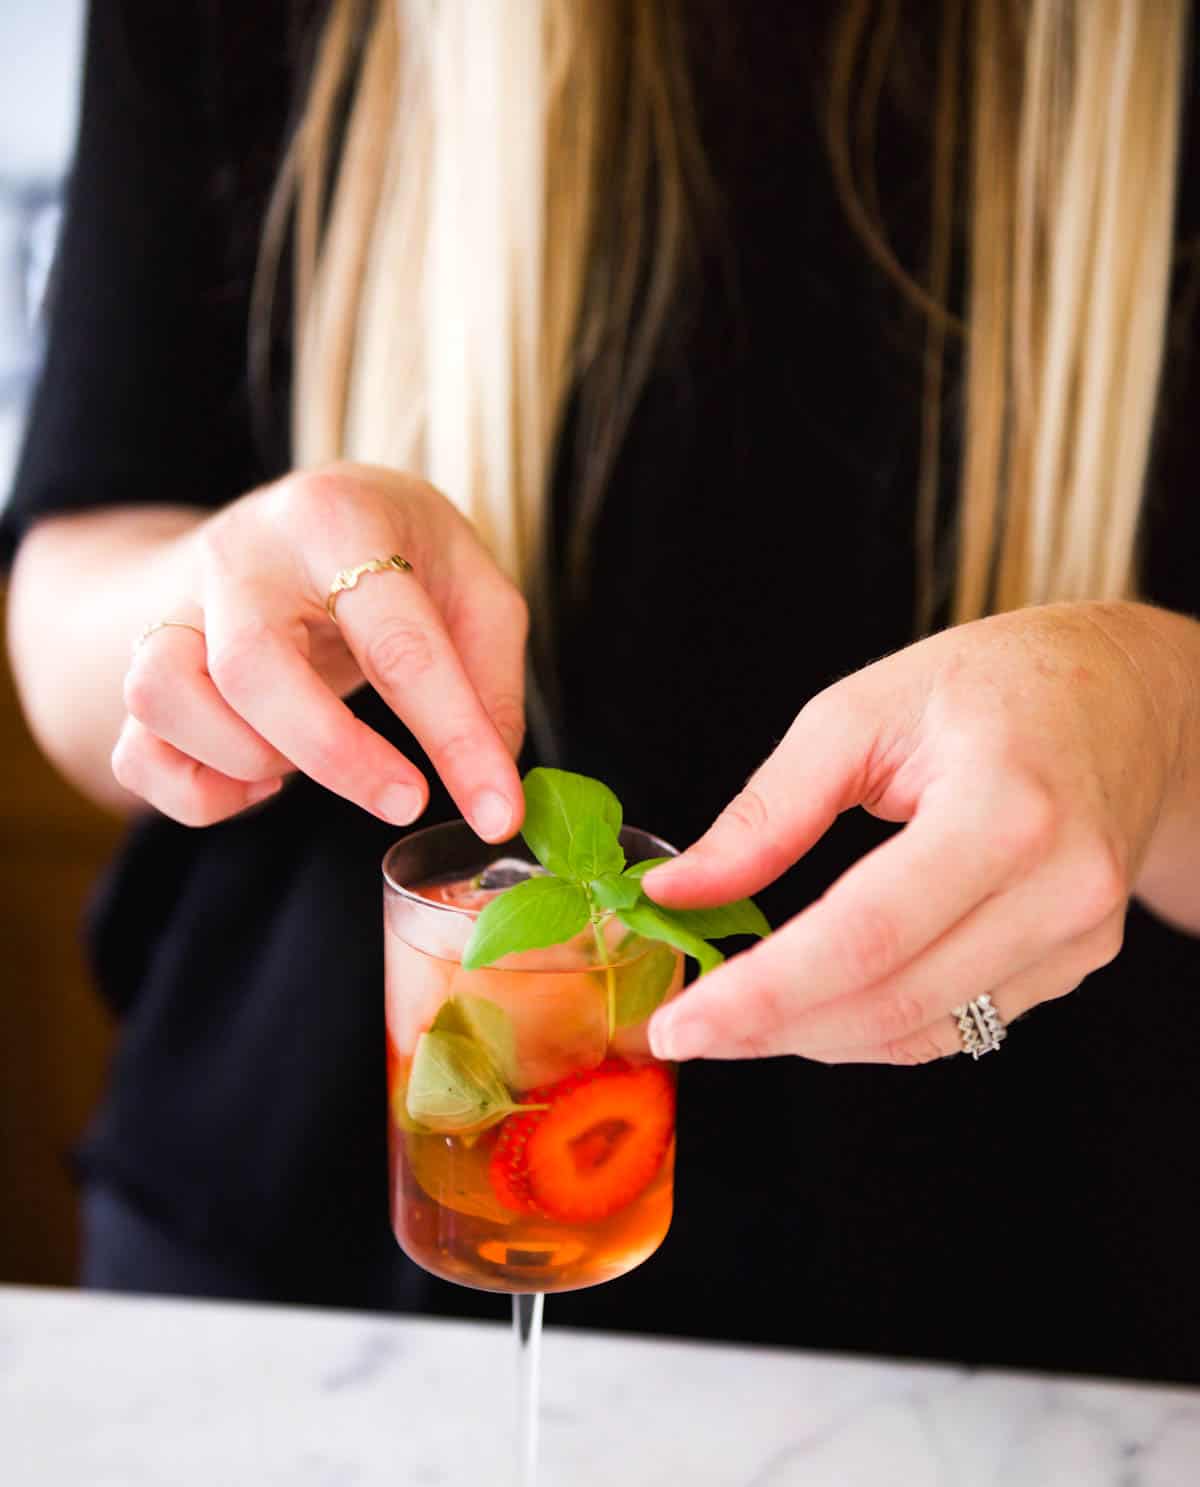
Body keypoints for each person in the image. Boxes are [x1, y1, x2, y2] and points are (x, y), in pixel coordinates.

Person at [5, 0, 1200, 1381]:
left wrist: (1161, 730)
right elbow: (67, 600)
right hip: (284, 1294)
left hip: (1021, 1338)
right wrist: (214, 606)